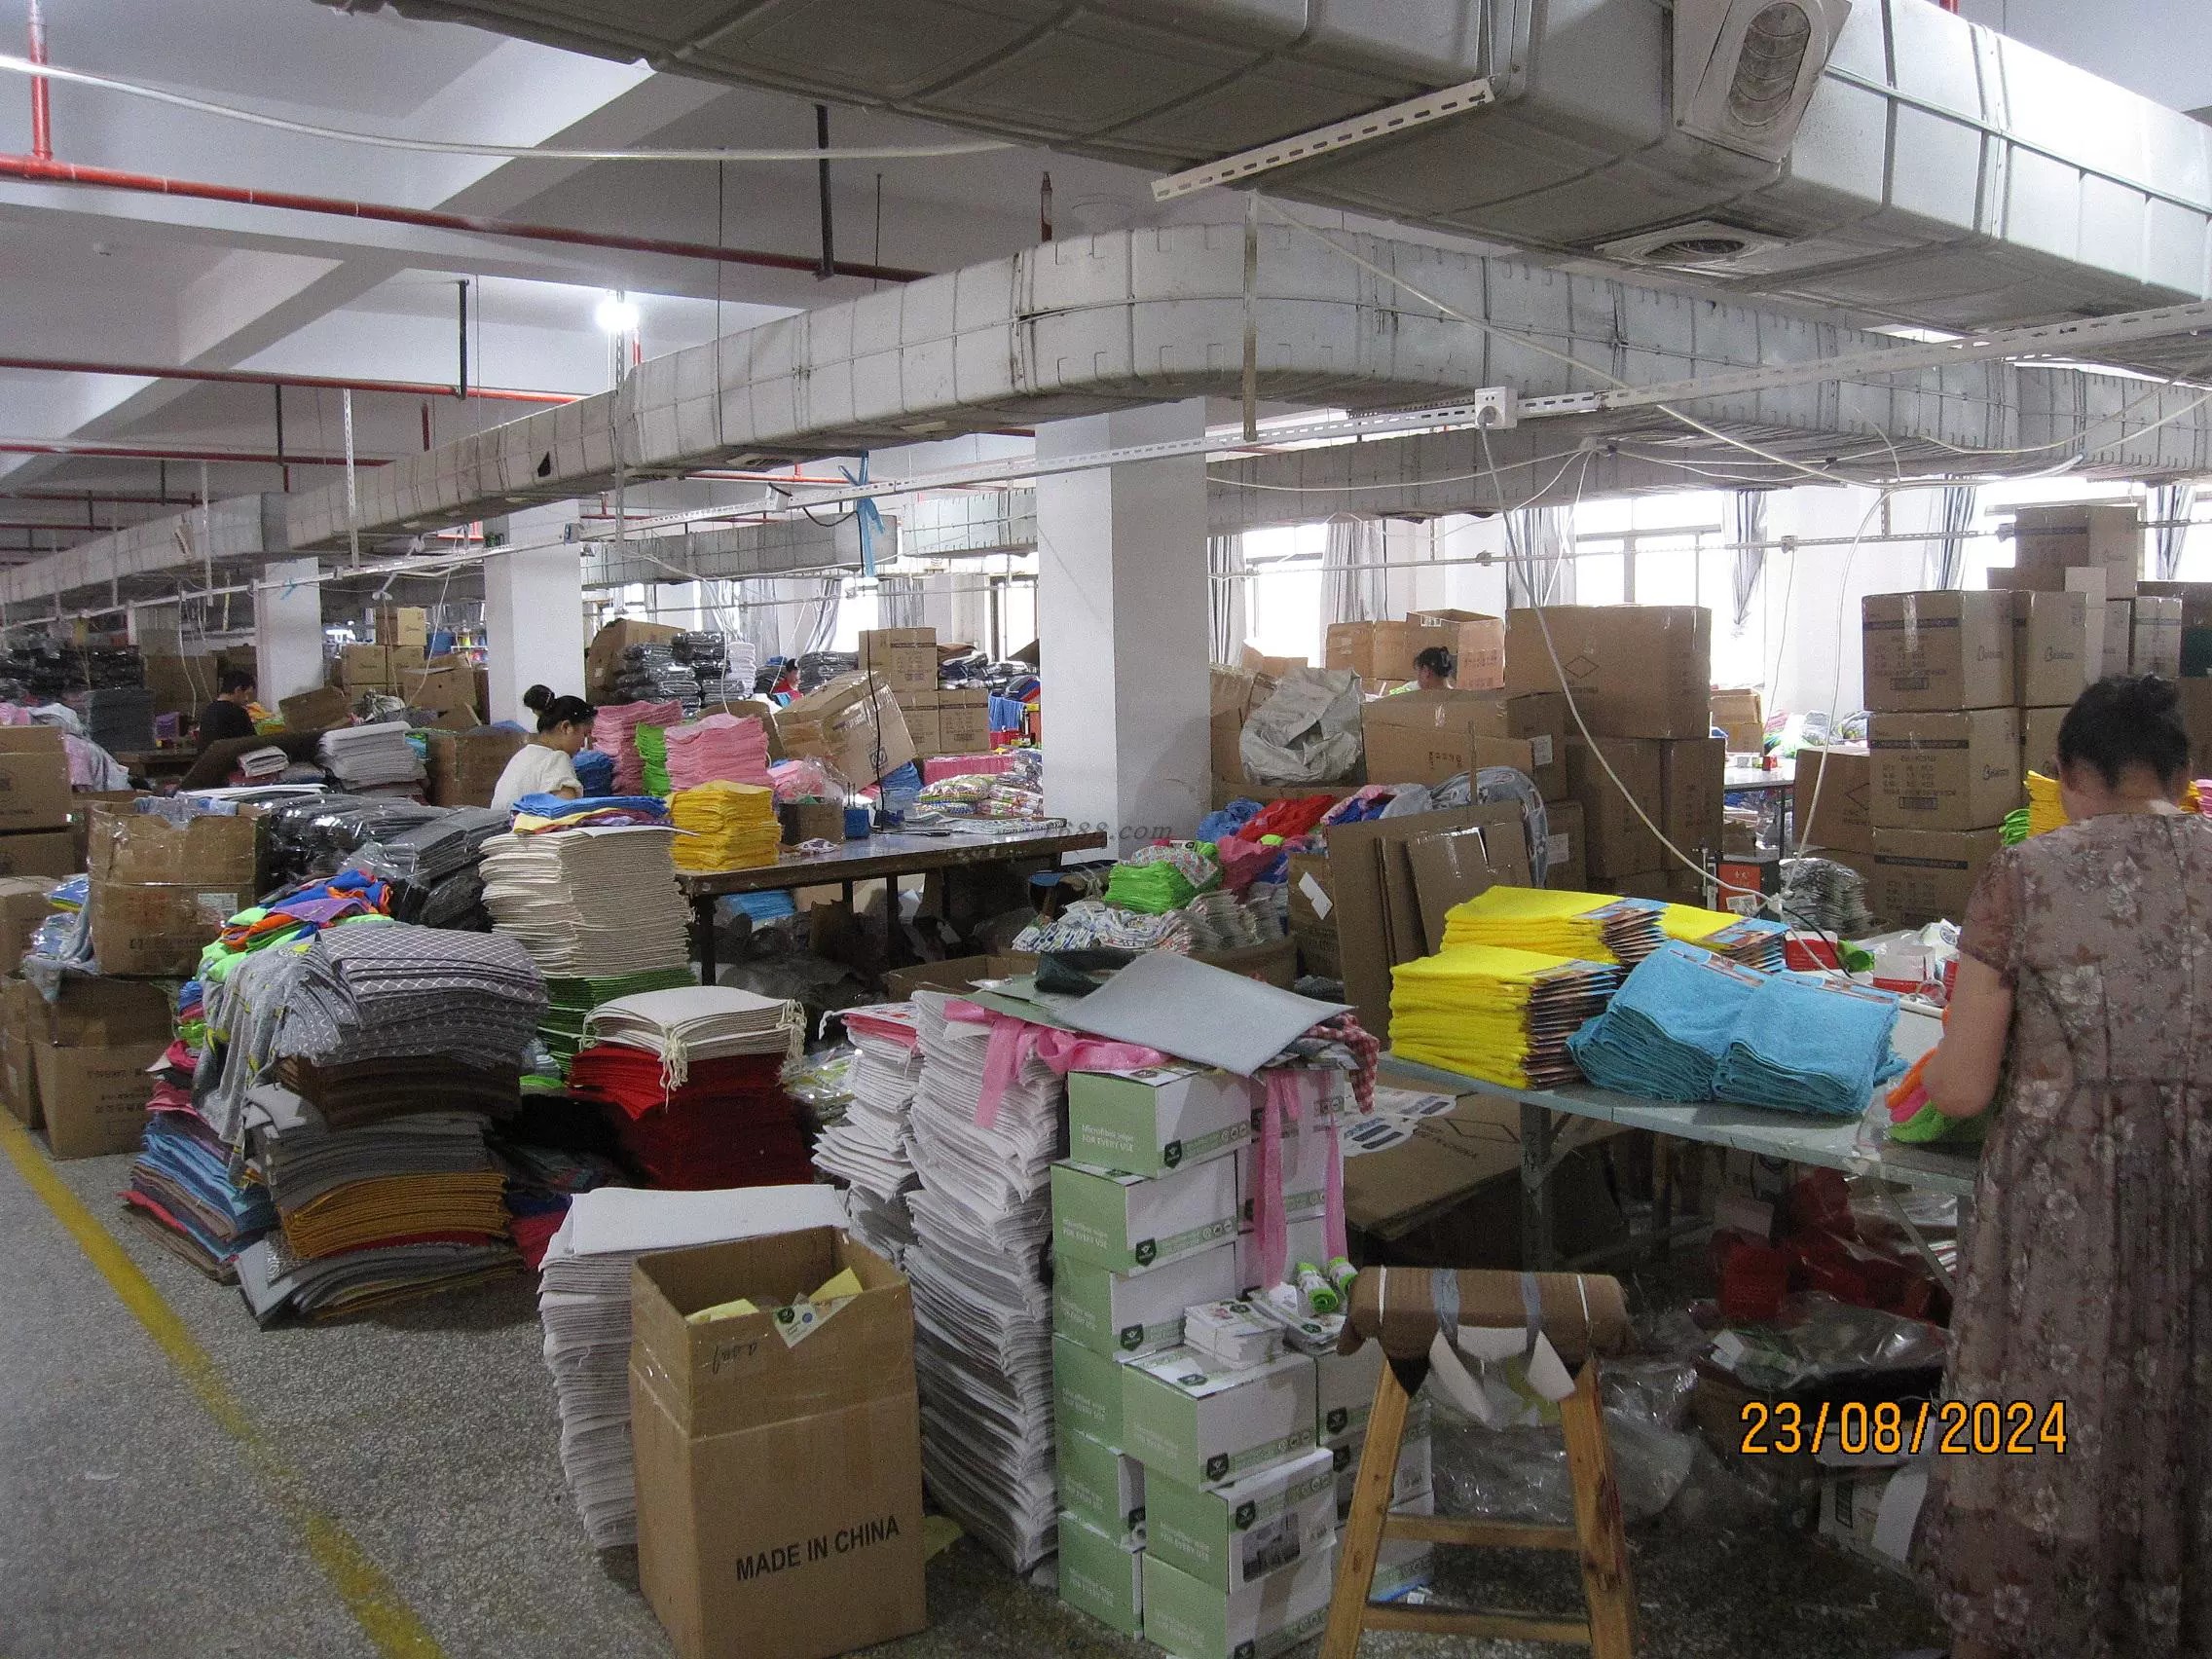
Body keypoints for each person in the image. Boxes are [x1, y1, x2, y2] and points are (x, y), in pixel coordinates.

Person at [1913, 674, 2211, 1659]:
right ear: (2183, 774)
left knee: (2043, 1420)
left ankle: (2027, 1625)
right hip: (2198, 1201)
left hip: (2065, 1209)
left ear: (2070, 774)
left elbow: (1961, 1088)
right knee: (2175, 1420)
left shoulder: (2026, 876)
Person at [490, 685, 593, 813]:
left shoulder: (522, 756)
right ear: (566, 727)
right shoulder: (557, 759)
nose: (583, 744)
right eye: (585, 734)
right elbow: (564, 816)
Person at [196, 669, 259, 751]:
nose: (247, 699)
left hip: (207, 758)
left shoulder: (208, 710)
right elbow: (253, 744)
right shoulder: (238, 713)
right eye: (247, 694)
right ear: (238, 690)